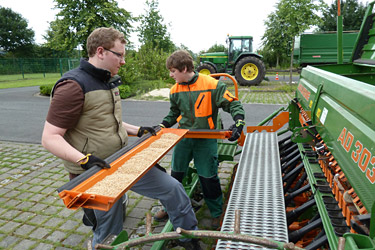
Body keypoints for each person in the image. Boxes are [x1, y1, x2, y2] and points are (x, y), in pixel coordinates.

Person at [41, 28, 201, 249]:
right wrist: (84, 160)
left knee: (173, 189)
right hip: (96, 172)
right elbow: (50, 137)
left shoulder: (108, 81)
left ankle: (188, 238)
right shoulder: (72, 86)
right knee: (109, 229)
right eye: (120, 55)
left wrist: (139, 130)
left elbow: (108, 122)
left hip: (123, 160)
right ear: (101, 52)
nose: (123, 61)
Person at [154, 50, 245, 229]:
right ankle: (170, 207)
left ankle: (217, 212)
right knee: (176, 175)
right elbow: (174, 112)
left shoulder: (213, 85)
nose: (171, 75)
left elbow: (232, 103)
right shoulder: (175, 90)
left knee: (208, 177)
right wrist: (163, 125)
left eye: (173, 71)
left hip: (206, 138)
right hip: (184, 138)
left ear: (184, 68)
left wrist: (239, 121)